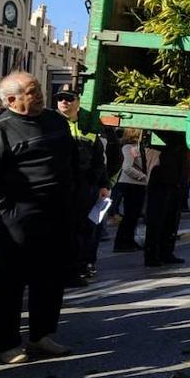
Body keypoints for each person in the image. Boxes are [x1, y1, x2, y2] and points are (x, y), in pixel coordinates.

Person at [0, 72, 75, 364]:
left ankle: (42, 335)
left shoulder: (56, 121)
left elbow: (69, 161)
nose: (40, 95)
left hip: (58, 214)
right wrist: (9, 214)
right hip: (18, 221)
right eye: (31, 92)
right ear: (10, 100)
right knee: (12, 284)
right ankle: (7, 344)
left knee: (51, 279)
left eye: (38, 89)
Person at [55, 88, 108, 284]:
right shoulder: (52, 124)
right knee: (61, 229)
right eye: (60, 99)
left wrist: (102, 184)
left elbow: (98, 159)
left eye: (68, 99)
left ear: (78, 102)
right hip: (60, 186)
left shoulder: (90, 126)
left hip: (84, 186)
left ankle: (76, 269)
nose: (63, 102)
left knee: (82, 229)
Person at [143, 131, 188, 267]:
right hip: (161, 175)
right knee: (157, 217)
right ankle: (152, 254)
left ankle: (166, 251)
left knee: (171, 216)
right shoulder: (157, 142)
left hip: (175, 176)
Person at [112, 129, 148, 252]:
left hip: (135, 184)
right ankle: (122, 241)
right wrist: (143, 177)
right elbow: (127, 167)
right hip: (131, 184)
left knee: (133, 215)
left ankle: (128, 239)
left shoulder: (136, 147)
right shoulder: (129, 147)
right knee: (130, 215)